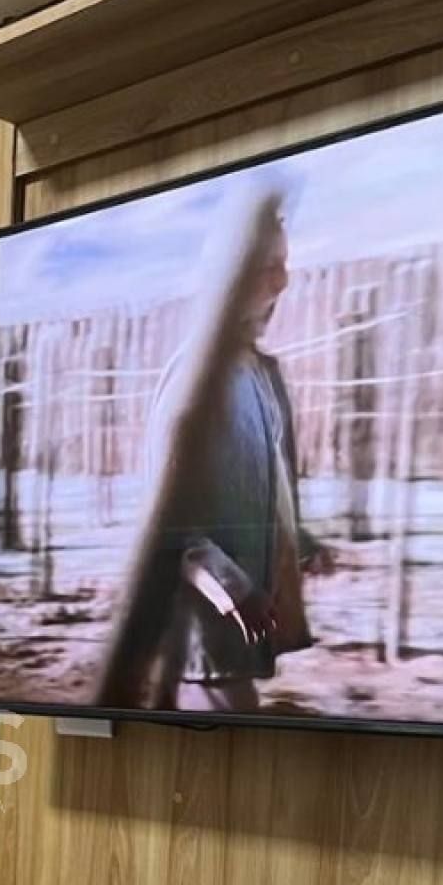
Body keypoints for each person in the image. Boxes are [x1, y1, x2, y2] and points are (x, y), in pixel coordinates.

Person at [148, 211, 330, 714]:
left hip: (239, 629)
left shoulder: (254, 370)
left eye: (284, 264)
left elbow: (260, 481)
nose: (283, 281)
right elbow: (166, 518)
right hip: (206, 632)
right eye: (270, 265)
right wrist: (229, 588)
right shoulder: (197, 375)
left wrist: (300, 544)